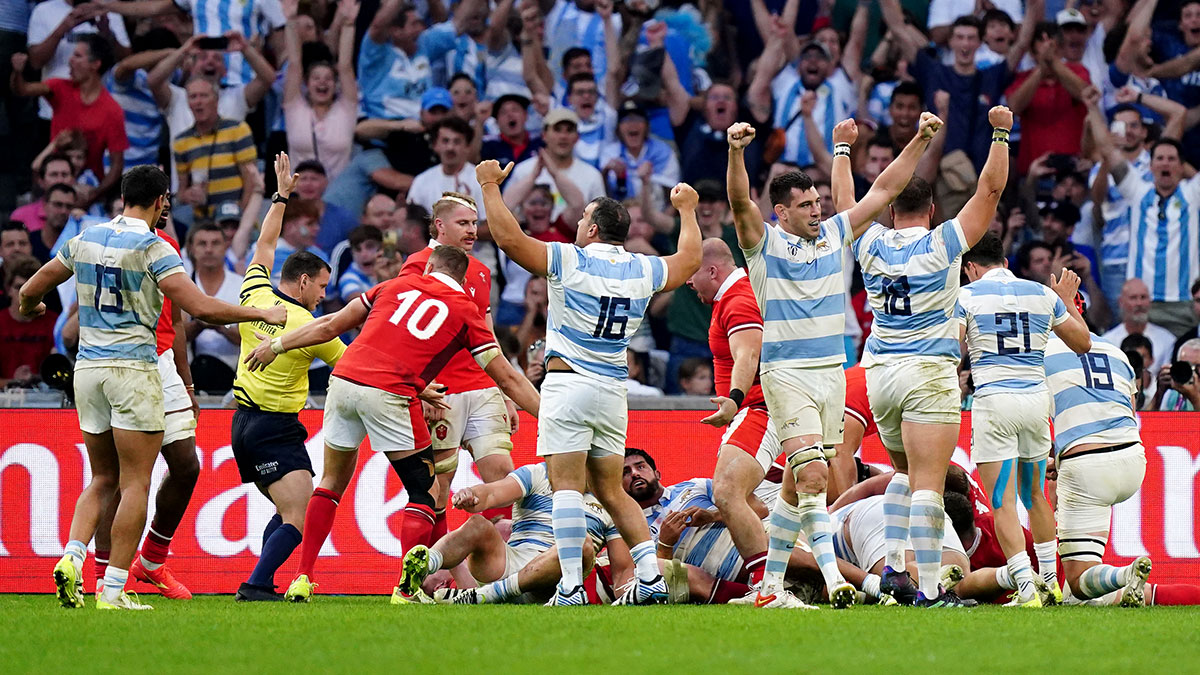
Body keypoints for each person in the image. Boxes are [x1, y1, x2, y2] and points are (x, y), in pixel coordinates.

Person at [20, 164, 284, 610]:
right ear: (162, 201)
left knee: (103, 477)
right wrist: (261, 314)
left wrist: (32, 306)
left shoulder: (85, 238)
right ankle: (113, 590)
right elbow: (199, 307)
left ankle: (72, 556)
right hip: (133, 371)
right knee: (136, 481)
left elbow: (31, 287)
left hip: (88, 370)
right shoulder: (153, 247)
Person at [726, 110, 944, 610]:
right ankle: (835, 578)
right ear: (780, 212)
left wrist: (919, 140)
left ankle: (768, 590)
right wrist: (736, 152)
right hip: (787, 376)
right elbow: (740, 200)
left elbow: (885, 190)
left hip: (831, 374)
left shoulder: (834, 234)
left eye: (818, 202)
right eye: (804, 205)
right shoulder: (763, 245)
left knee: (797, 487)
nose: (815, 211)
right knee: (814, 478)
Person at [244, 245, 541, 603]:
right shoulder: (466, 310)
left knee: (331, 481)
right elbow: (507, 379)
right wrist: (548, 417)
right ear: (463, 279)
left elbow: (330, 324)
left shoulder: (393, 287)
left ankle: (302, 578)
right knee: (427, 493)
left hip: (343, 382)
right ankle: (405, 590)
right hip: (388, 393)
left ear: (429, 266)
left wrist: (277, 345)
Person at [478, 156, 702, 606]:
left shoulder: (569, 259)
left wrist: (488, 186)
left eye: (582, 217)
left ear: (594, 228)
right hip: (612, 390)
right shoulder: (643, 268)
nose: (578, 223)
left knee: (565, 487)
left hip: (569, 383)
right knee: (610, 489)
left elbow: (508, 238)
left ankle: (570, 588)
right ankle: (651, 580)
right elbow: (690, 258)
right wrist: (687, 210)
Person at [844, 105, 1013, 608]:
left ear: (891, 210)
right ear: (933, 211)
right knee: (928, 486)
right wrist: (1000, 133)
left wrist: (842, 150)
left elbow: (845, 201)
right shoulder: (945, 244)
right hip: (927, 374)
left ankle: (896, 569)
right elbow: (989, 192)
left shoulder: (869, 242)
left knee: (903, 477)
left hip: (880, 376)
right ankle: (931, 588)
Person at [221, 153, 346, 602]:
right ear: (305, 281)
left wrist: (280, 197)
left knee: (287, 508)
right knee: (299, 512)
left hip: (244, 424)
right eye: (322, 286)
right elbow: (351, 366)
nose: (324, 295)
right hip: (273, 427)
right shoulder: (311, 327)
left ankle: (262, 578)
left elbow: (264, 246)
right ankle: (255, 586)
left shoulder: (254, 293)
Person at [956, 232, 1092, 606]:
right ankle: (1050, 582)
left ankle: (1027, 589)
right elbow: (1083, 342)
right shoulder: (1040, 293)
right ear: (1004, 260)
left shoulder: (966, 295)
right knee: (1034, 495)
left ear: (970, 267)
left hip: (995, 402)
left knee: (1001, 501)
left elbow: (953, 350)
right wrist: (1066, 302)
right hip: (1035, 400)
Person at [90, 216, 203, 601]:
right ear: (154, 201)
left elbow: (178, 320)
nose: (167, 207)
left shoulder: (167, 246)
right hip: (122, 364)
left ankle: (152, 562)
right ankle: (105, 576)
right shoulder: (101, 243)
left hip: (164, 364)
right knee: (124, 475)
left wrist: (187, 383)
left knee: (186, 464)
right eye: (164, 200)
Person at [399, 192, 517, 537]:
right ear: (440, 225)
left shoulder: (480, 271)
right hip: (442, 390)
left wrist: (504, 391)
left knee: (503, 474)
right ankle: (435, 575)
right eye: (463, 223)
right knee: (439, 485)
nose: (472, 231)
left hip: (480, 386)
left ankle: (508, 564)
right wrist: (421, 390)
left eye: (474, 223)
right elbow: (405, 333)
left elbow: (488, 334)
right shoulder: (418, 264)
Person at [1044, 306, 1152, 606]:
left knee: (1078, 581)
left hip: (1087, 467)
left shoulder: (1040, 352)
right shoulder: (1117, 352)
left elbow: (1032, 424)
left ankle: (1125, 574)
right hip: (1133, 458)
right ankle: (1121, 593)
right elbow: (1127, 412)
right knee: (1076, 597)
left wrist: (1048, 459)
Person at [687, 237, 773, 596]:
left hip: (757, 408)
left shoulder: (738, 298)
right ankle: (772, 583)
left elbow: (747, 354)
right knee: (756, 501)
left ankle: (767, 587)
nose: (687, 282)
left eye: (692, 273)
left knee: (726, 490)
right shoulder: (732, 296)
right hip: (752, 409)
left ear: (712, 269)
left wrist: (734, 400)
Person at [1090, 97, 1200, 337]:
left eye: (1171, 159)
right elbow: (1108, 150)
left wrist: (1140, 98)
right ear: (1150, 166)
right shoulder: (1137, 191)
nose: (1165, 164)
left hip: (1183, 304)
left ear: (1182, 167)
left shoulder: (1194, 194)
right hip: (1141, 302)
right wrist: (1092, 107)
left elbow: (1179, 112)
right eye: (1159, 159)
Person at [11, 37, 127, 206]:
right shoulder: (59, 88)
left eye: (78, 56)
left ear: (95, 64)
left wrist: (93, 195)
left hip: (87, 189)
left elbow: (117, 166)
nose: (70, 61)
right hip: (50, 184)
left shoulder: (112, 110)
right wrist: (17, 72)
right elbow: (22, 89)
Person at [282, 0, 358, 181]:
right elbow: (294, 65)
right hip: (299, 194)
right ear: (306, 84)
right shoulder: (295, 107)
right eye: (316, 78)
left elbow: (345, 66)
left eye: (328, 78)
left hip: (336, 196)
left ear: (335, 85)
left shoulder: (346, 109)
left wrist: (348, 25)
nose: (322, 83)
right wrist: (290, 21)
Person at [171, 77, 258, 218]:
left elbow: (251, 180)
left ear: (216, 100)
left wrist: (242, 215)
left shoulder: (238, 130)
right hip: (202, 220)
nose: (198, 101)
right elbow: (181, 191)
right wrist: (187, 196)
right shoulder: (181, 141)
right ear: (188, 103)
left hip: (234, 219)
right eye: (193, 97)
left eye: (204, 96)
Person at [504, 109, 605, 221]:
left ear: (577, 137)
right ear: (544, 135)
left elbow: (601, 221)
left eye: (569, 130)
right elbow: (503, 209)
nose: (563, 136)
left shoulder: (592, 175)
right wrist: (532, 177)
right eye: (557, 130)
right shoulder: (524, 170)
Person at [184, 222, 242, 382]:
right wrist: (199, 324)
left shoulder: (242, 286)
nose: (209, 249)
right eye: (202, 244)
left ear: (226, 246)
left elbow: (250, 339)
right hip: (190, 375)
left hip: (235, 375)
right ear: (191, 249)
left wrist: (220, 325)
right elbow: (174, 336)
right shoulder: (182, 286)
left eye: (215, 243)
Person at [407, 118, 486, 219]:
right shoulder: (421, 181)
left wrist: (460, 232)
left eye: (457, 142)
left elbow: (492, 225)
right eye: (445, 141)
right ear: (435, 145)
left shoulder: (481, 180)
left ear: (467, 146)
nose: (450, 148)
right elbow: (412, 221)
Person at [0, 257, 59, 386]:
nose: (25, 295)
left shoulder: (55, 324)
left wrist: (35, 378)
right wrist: (13, 382)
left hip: (46, 399)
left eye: (31, 288)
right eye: (19, 287)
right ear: (8, 289)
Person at [1102, 279, 1177, 374]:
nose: (1139, 303)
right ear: (1121, 302)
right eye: (1133, 298)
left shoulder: (1167, 340)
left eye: (1143, 297)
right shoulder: (1107, 342)